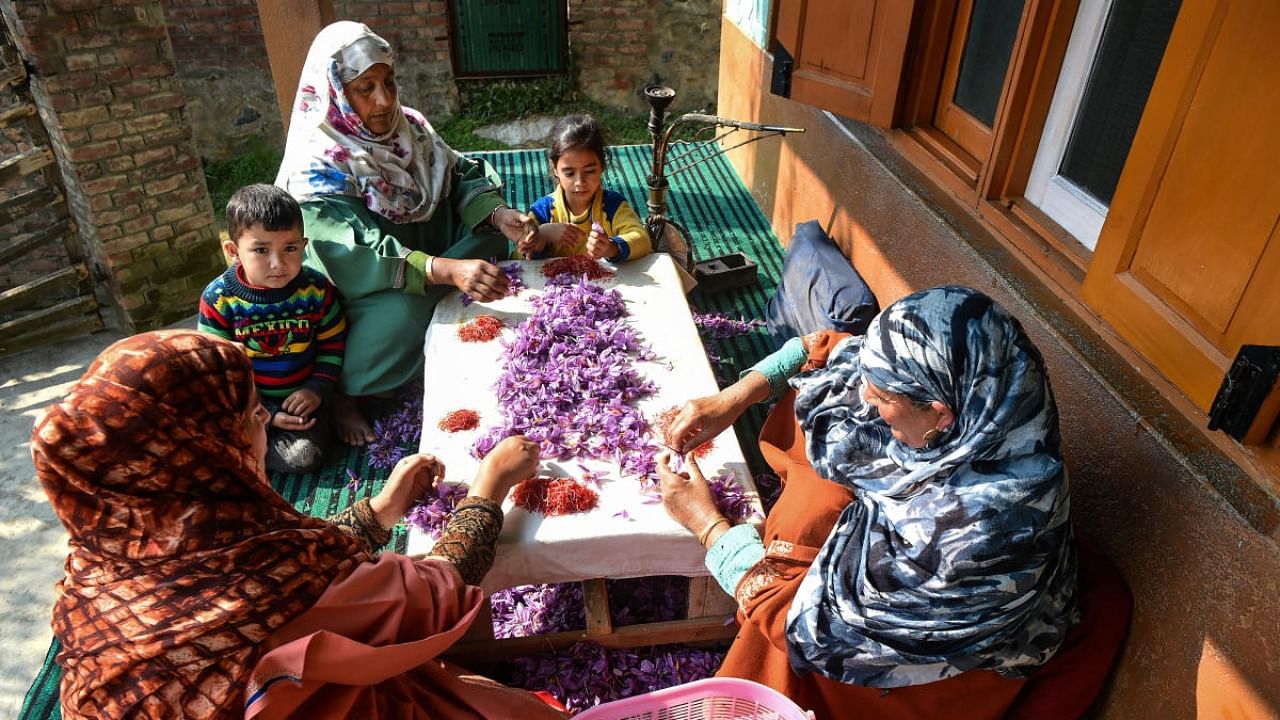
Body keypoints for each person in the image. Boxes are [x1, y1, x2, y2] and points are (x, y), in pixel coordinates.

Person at [31, 330, 566, 719]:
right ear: (204, 453)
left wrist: (380, 510)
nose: (264, 427)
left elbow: (287, 569)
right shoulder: (265, 581)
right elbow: (434, 595)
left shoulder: (110, 553)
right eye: (253, 416)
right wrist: (490, 487)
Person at [658, 286, 1077, 719]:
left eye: (881, 398)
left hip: (934, 667)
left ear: (940, 413)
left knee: (779, 628)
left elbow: (813, 629)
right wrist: (735, 397)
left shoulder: (974, 534)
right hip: (920, 517)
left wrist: (710, 527)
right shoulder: (980, 378)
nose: (863, 399)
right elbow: (826, 349)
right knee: (820, 454)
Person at [275, 21, 537, 446]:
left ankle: (444, 303)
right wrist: (443, 269)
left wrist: (499, 213)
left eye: (389, 82)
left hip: (426, 259)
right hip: (362, 296)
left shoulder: (408, 128)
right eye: (365, 88)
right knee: (407, 314)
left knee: (490, 236)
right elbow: (351, 250)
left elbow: (458, 173)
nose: (384, 100)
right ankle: (348, 392)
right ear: (337, 93)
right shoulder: (318, 161)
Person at [198, 183, 345, 473]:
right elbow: (219, 371)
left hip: (302, 405)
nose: (278, 264)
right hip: (247, 407)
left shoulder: (315, 290)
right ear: (233, 251)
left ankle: (255, 454)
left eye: (290, 248)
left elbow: (333, 344)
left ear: (304, 246)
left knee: (303, 457)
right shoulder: (218, 299)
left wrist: (316, 389)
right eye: (261, 250)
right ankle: (252, 446)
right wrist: (264, 413)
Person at [516, 114, 651, 263]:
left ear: (602, 166)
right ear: (555, 169)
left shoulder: (613, 206)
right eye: (569, 173)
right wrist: (542, 235)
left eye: (589, 171)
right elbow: (518, 257)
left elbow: (642, 239)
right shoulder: (542, 212)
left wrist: (611, 247)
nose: (579, 182)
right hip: (552, 284)